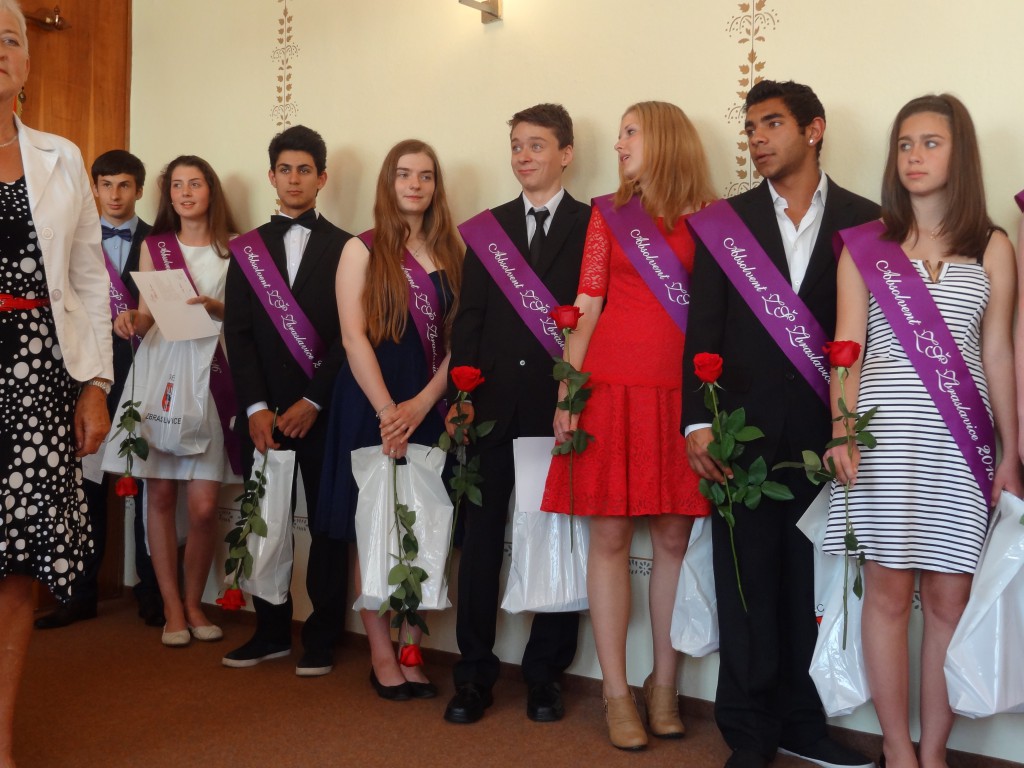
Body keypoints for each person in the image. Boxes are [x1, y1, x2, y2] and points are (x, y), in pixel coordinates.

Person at [682, 80, 878, 768]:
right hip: (740, 435)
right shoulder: (724, 223)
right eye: (750, 127)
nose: (757, 138)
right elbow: (702, 328)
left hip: (824, 438)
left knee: (808, 589)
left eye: (772, 124)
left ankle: (802, 723)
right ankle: (749, 731)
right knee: (746, 587)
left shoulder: (867, 220)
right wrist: (695, 423)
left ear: (813, 129)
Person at [824, 94, 1020, 768]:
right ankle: (898, 750)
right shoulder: (866, 247)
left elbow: (999, 355)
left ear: (959, 153)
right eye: (905, 144)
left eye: (931, 143)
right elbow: (846, 351)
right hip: (881, 445)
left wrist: (1010, 453)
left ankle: (933, 754)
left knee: (948, 600)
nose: (914, 156)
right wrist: (842, 431)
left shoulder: (993, 246)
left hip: (959, 448)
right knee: (885, 597)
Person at [540, 101, 714, 750]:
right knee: (609, 538)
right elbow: (587, 303)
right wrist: (568, 390)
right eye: (618, 134)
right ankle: (615, 693)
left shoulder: (713, 218)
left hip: (679, 398)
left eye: (630, 132)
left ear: (663, 138)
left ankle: (663, 685)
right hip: (609, 390)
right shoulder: (607, 215)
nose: (618, 144)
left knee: (672, 540)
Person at [445, 104, 587, 724]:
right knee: (480, 545)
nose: (524, 156)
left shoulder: (593, 226)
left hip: (557, 412)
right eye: (516, 146)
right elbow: (470, 319)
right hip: (490, 410)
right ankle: (473, 674)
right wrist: (462, 395)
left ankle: (545, 674)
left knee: (555, 539)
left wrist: (574, 399)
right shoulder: (490, 230)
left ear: (566, 153)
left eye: (536, 145)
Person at [0, 1, 113, 764]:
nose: (0, 50)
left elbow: (89, 279)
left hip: (38, 371)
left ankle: (0, 741)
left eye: (10, 39)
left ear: (27, 63)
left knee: (14, 564)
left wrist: (95, 383)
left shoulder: (62, 156)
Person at [318, 138, 462, 698]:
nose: (415, 185)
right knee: (373, 528)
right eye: (404, 174)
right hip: (371, 404)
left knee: (423, 527)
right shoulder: (362, 249)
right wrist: (387, 411)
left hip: (428, 403)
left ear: (435, 186)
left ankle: (410, 648)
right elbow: (353, 338)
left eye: (425, 175)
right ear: (388, 182)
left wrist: (422, 404)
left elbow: (459, 340)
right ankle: (382, 654)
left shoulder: (452, 251)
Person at [222, 125, 354, 676]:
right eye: (285, 169)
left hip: (326, 410)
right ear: (271, 176)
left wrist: (314, 401)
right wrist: (255, 407)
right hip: (267, 414)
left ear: (322, 178)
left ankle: (322, 636)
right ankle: (271, 631)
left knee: (327, 527)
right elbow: (239, 333)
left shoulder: (349, 247)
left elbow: (352, 336)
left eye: (305, 170)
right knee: (266, 521)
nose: (294, 179)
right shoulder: (247, 250)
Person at [104, 155, 240, 648]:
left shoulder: (234, 248)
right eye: (177, 185)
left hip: (211, 376)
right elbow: (147, 315)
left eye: (195, 183)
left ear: (211, 190)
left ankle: (194, 601)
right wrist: (130, 321)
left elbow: (246, 319)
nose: (185, 193)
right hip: (161, 373)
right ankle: (171, 608)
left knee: (203, 508)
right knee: (159, 497)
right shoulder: (155, 246)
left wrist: (217, 308)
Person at [34, 149, 164, 631]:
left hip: (145, 374)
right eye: (105, 184)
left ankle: (152, 593)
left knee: (147, 488)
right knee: (86, 488)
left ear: (139, 189)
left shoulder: (161, 243)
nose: (114, 194)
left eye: (124, 184)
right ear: (92, 188)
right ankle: (80, 593)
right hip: (87, 378)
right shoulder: (72, 238)